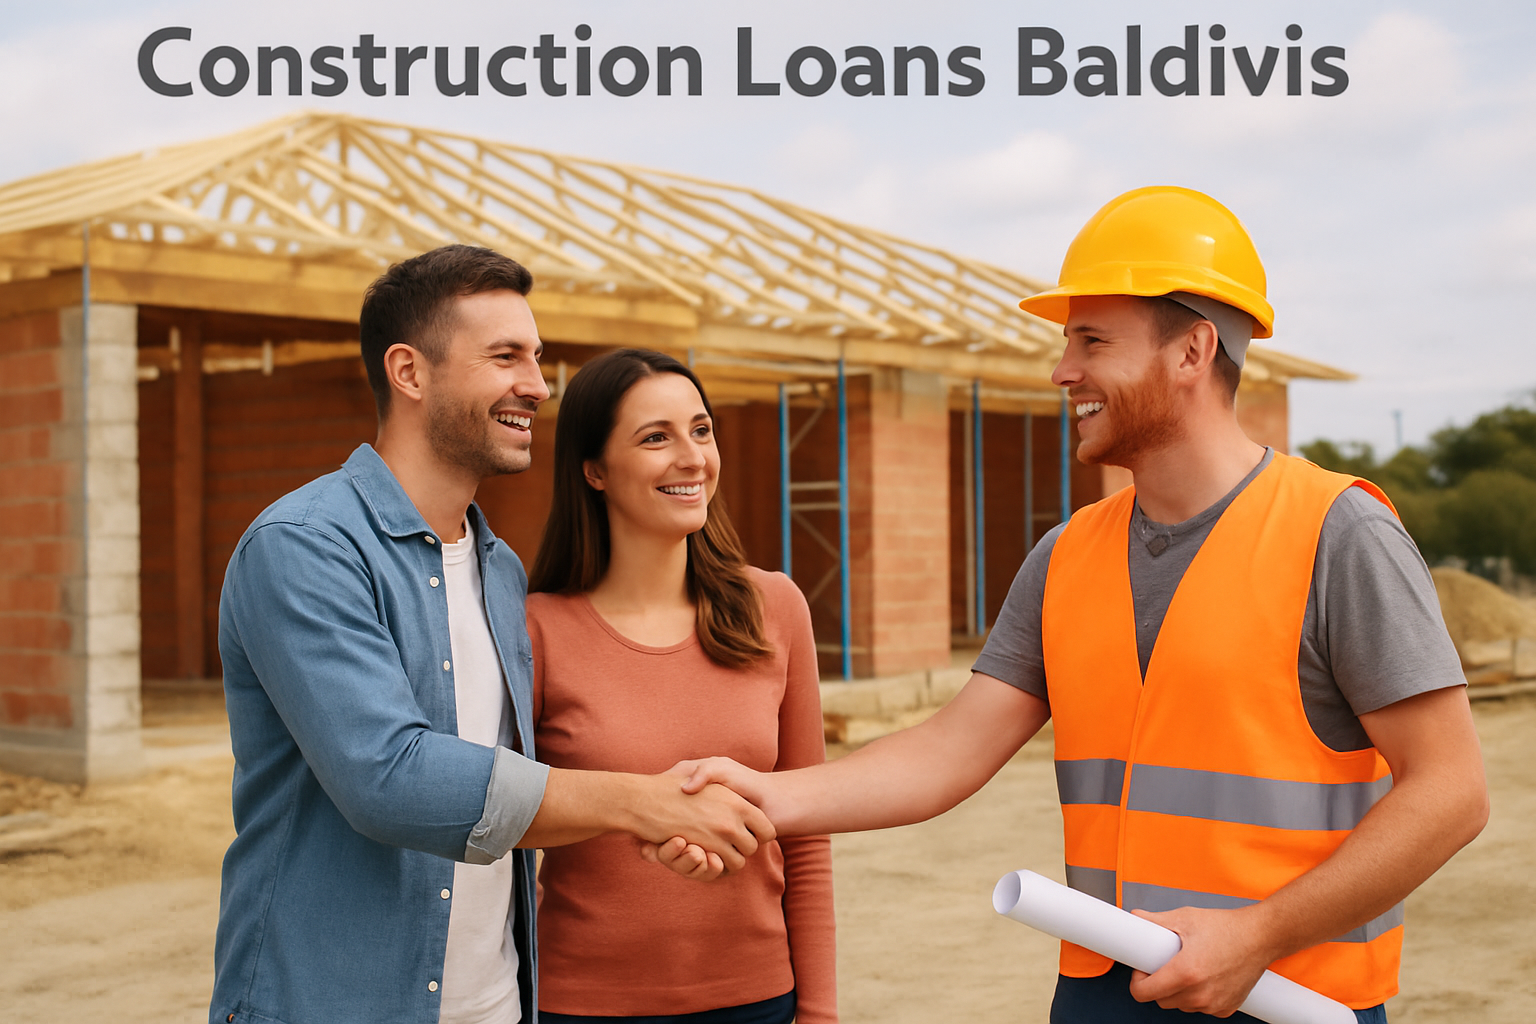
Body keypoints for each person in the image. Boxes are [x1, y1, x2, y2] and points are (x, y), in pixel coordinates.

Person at [661, 187, 1489, 1022]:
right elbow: (950, 750)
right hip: (1106, 990)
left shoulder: (1337, 534)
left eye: (1093, 341)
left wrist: (1259, 935)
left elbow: (1451, 792)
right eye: (1067, 343)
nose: (1063, 370)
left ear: (1193, 350)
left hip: (1284, 997)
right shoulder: (1067, 556)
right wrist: (766, 797)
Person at [211, 246, 773, 1024]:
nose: (538, 387)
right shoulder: (303, 546)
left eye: (537, 359)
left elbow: (526, 783)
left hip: (498, 1003)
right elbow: (390, 778)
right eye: (505, 356)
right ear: (410, 373)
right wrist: (646, 804)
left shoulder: (501, 571)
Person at [524, 348, 836, 1024]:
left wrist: (819, 1011)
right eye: (655, 437)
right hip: (583, 1006)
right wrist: (637, 809)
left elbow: (808, 832)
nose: (692, 457)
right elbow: (504, 816)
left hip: (759, 1001)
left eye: (700, 430)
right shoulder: (535, 628)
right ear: (594, 470)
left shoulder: (776, 608)